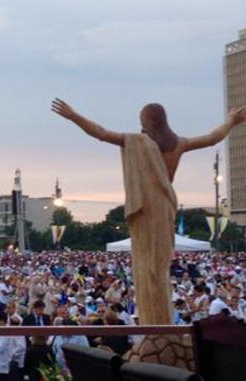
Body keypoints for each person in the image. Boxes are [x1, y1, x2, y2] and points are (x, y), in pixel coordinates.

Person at [52, 98, 246, 324]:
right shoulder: (179, 143)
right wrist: (231, 121)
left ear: (148, 122)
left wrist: (73, 116)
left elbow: (102, 133)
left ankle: (154, 321)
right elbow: (212, 138)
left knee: (147, 267)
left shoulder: (138, 141)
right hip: (165, 207)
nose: (140, 126)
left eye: (142, 121)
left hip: (145, 208)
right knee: (160, 266)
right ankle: (160, 318)